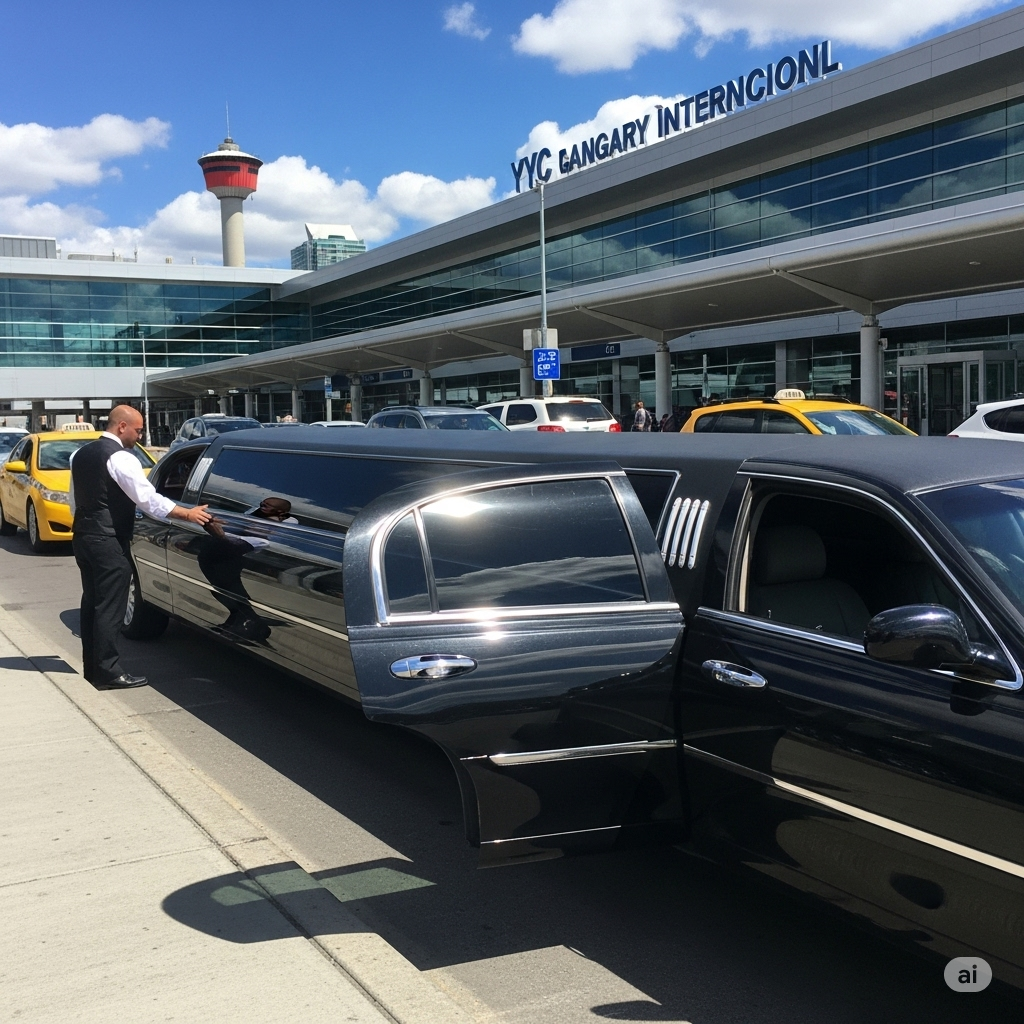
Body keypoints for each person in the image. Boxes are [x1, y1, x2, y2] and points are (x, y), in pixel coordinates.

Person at [70, 405, 211, 689]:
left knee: (93, 602)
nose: (140, 434)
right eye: (137, 429)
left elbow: (74, 498)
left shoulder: (81, 454)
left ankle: (93, 669)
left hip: (84, 535)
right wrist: (187, 513)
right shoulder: (121, 457)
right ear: (121, 426)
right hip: (108, 538)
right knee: (110, 605)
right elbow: (147, 498)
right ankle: (109, 672)